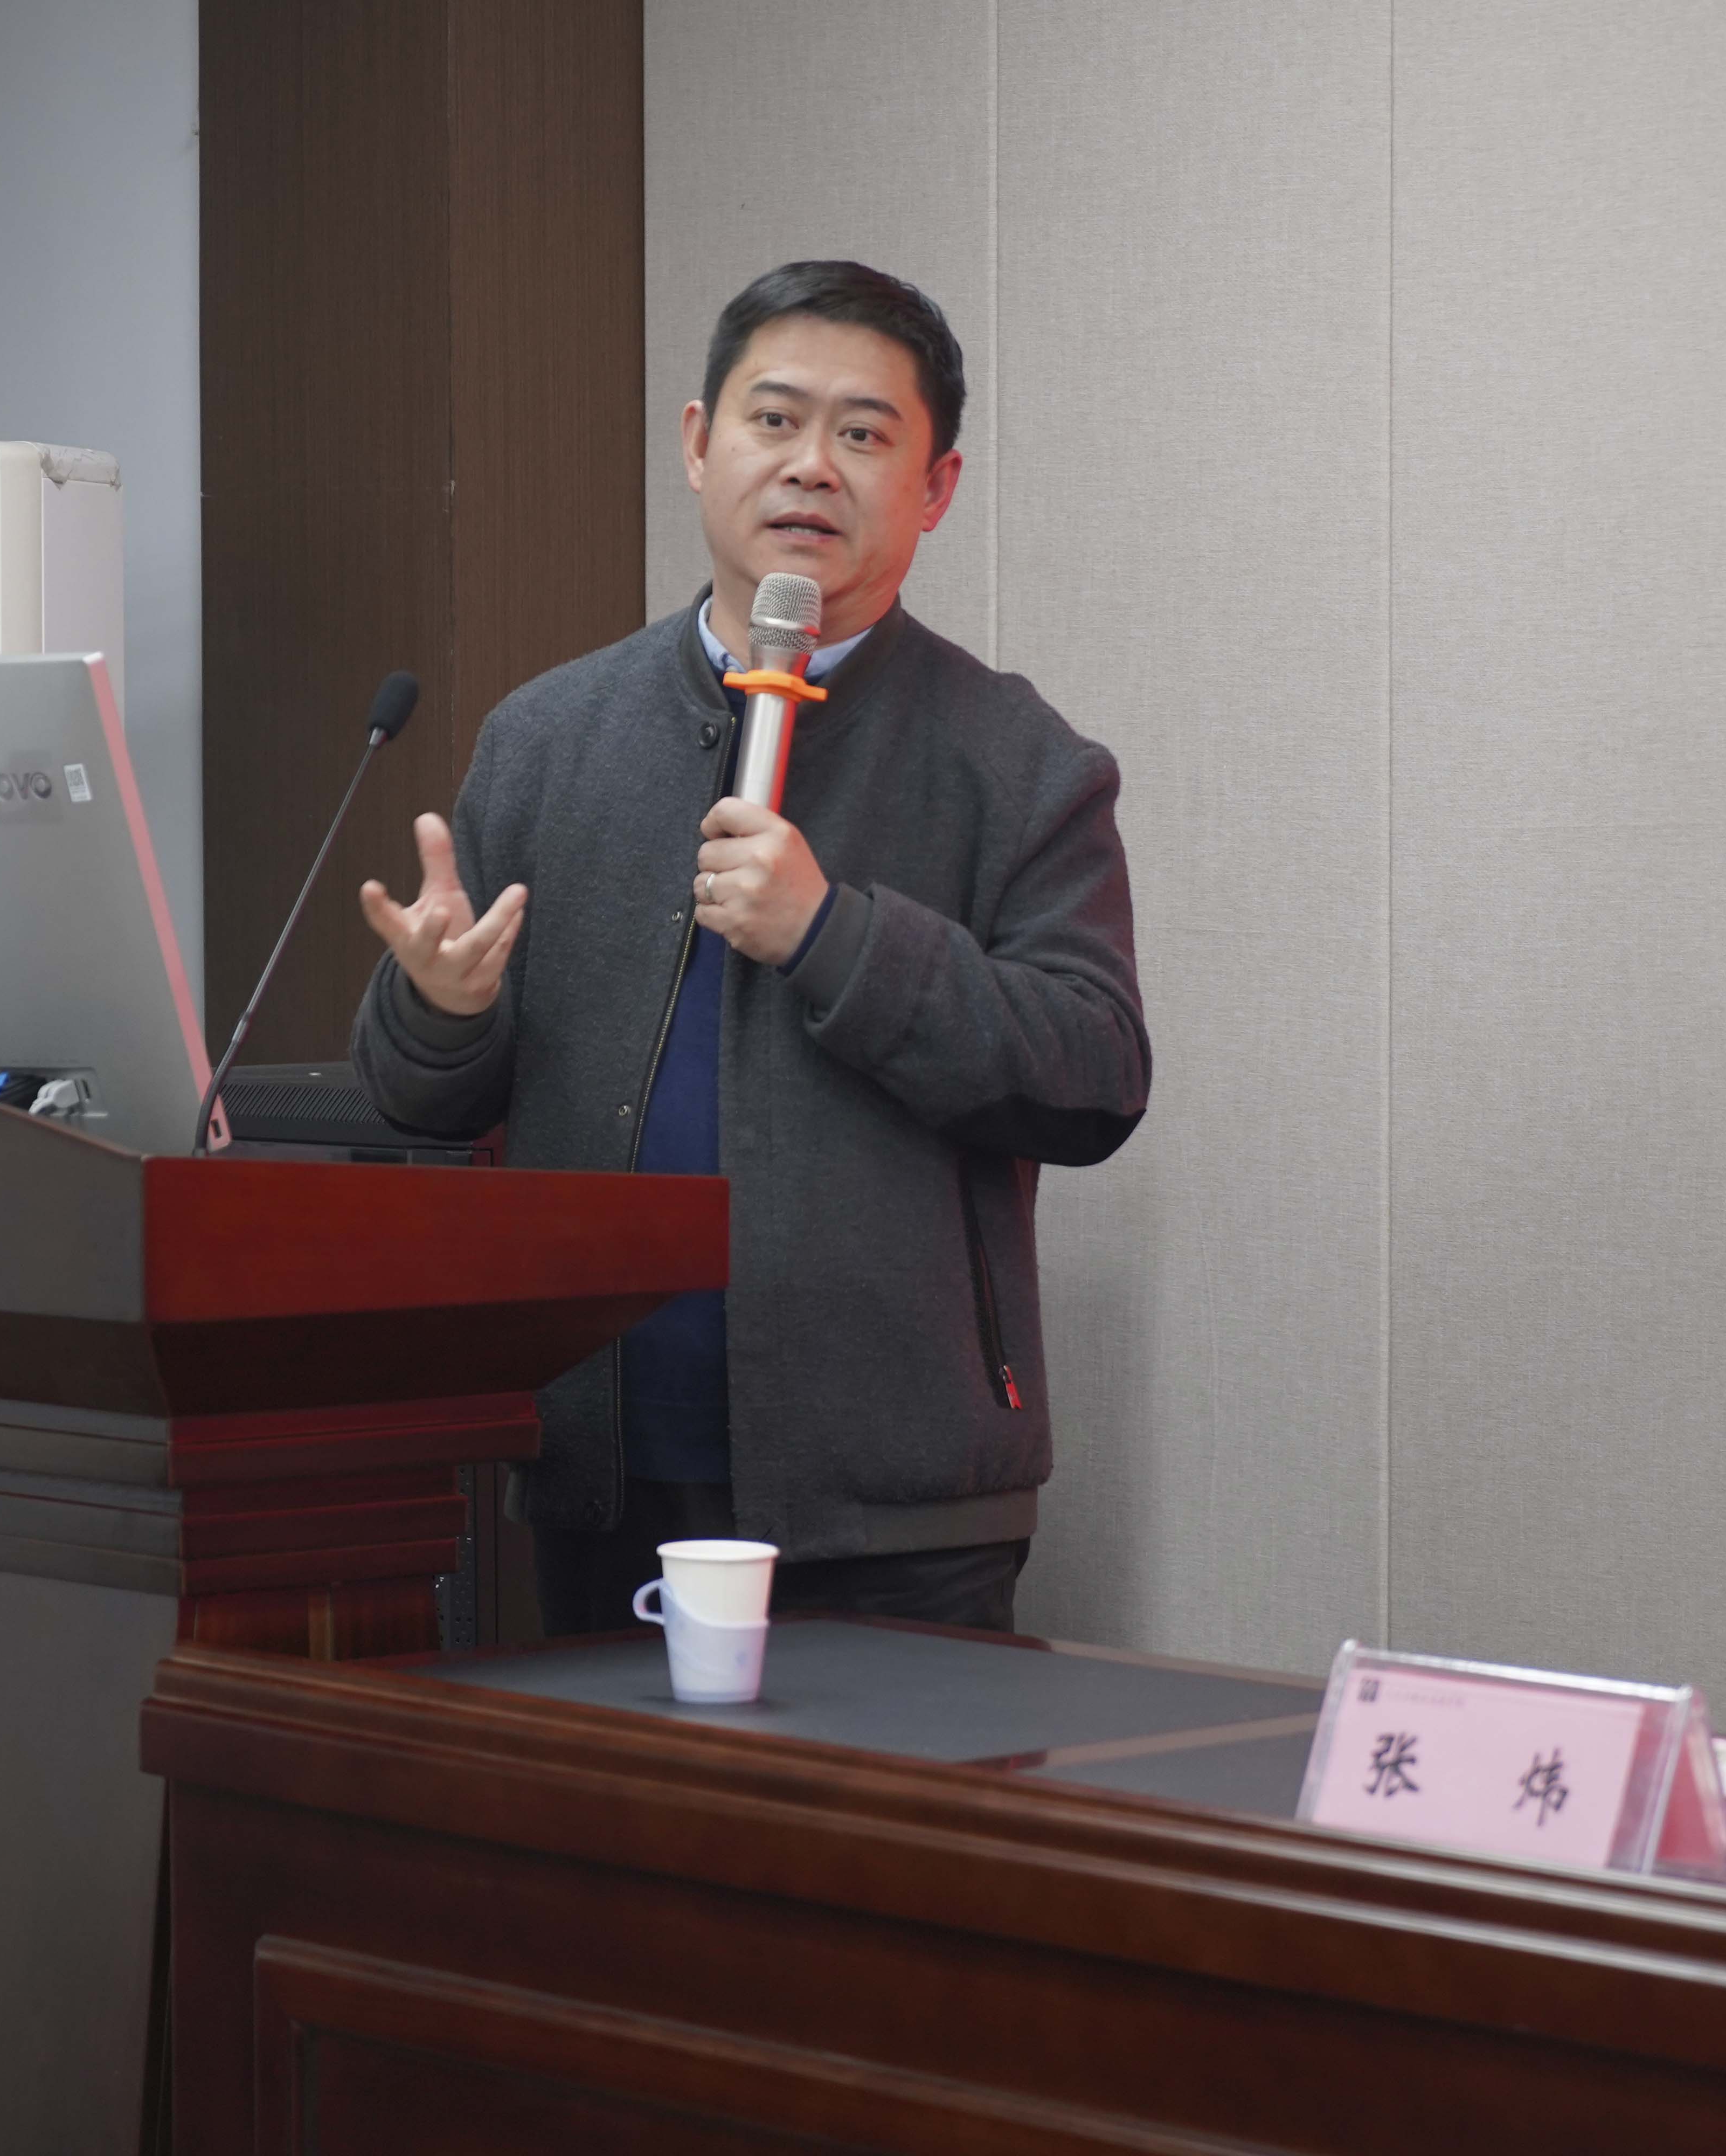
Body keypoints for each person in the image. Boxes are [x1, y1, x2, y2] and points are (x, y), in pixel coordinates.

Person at [349, 259, 1148, 1635]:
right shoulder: (548, 739)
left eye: (863, 433)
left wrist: (834, 935)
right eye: (774, 419)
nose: (811, 465)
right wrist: (439, 1009)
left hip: (894, 1506)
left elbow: (1094, 1073)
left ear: (936, 487)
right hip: (600, 1471)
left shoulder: (1018, 762)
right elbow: (418, 1102)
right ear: (697, 442)